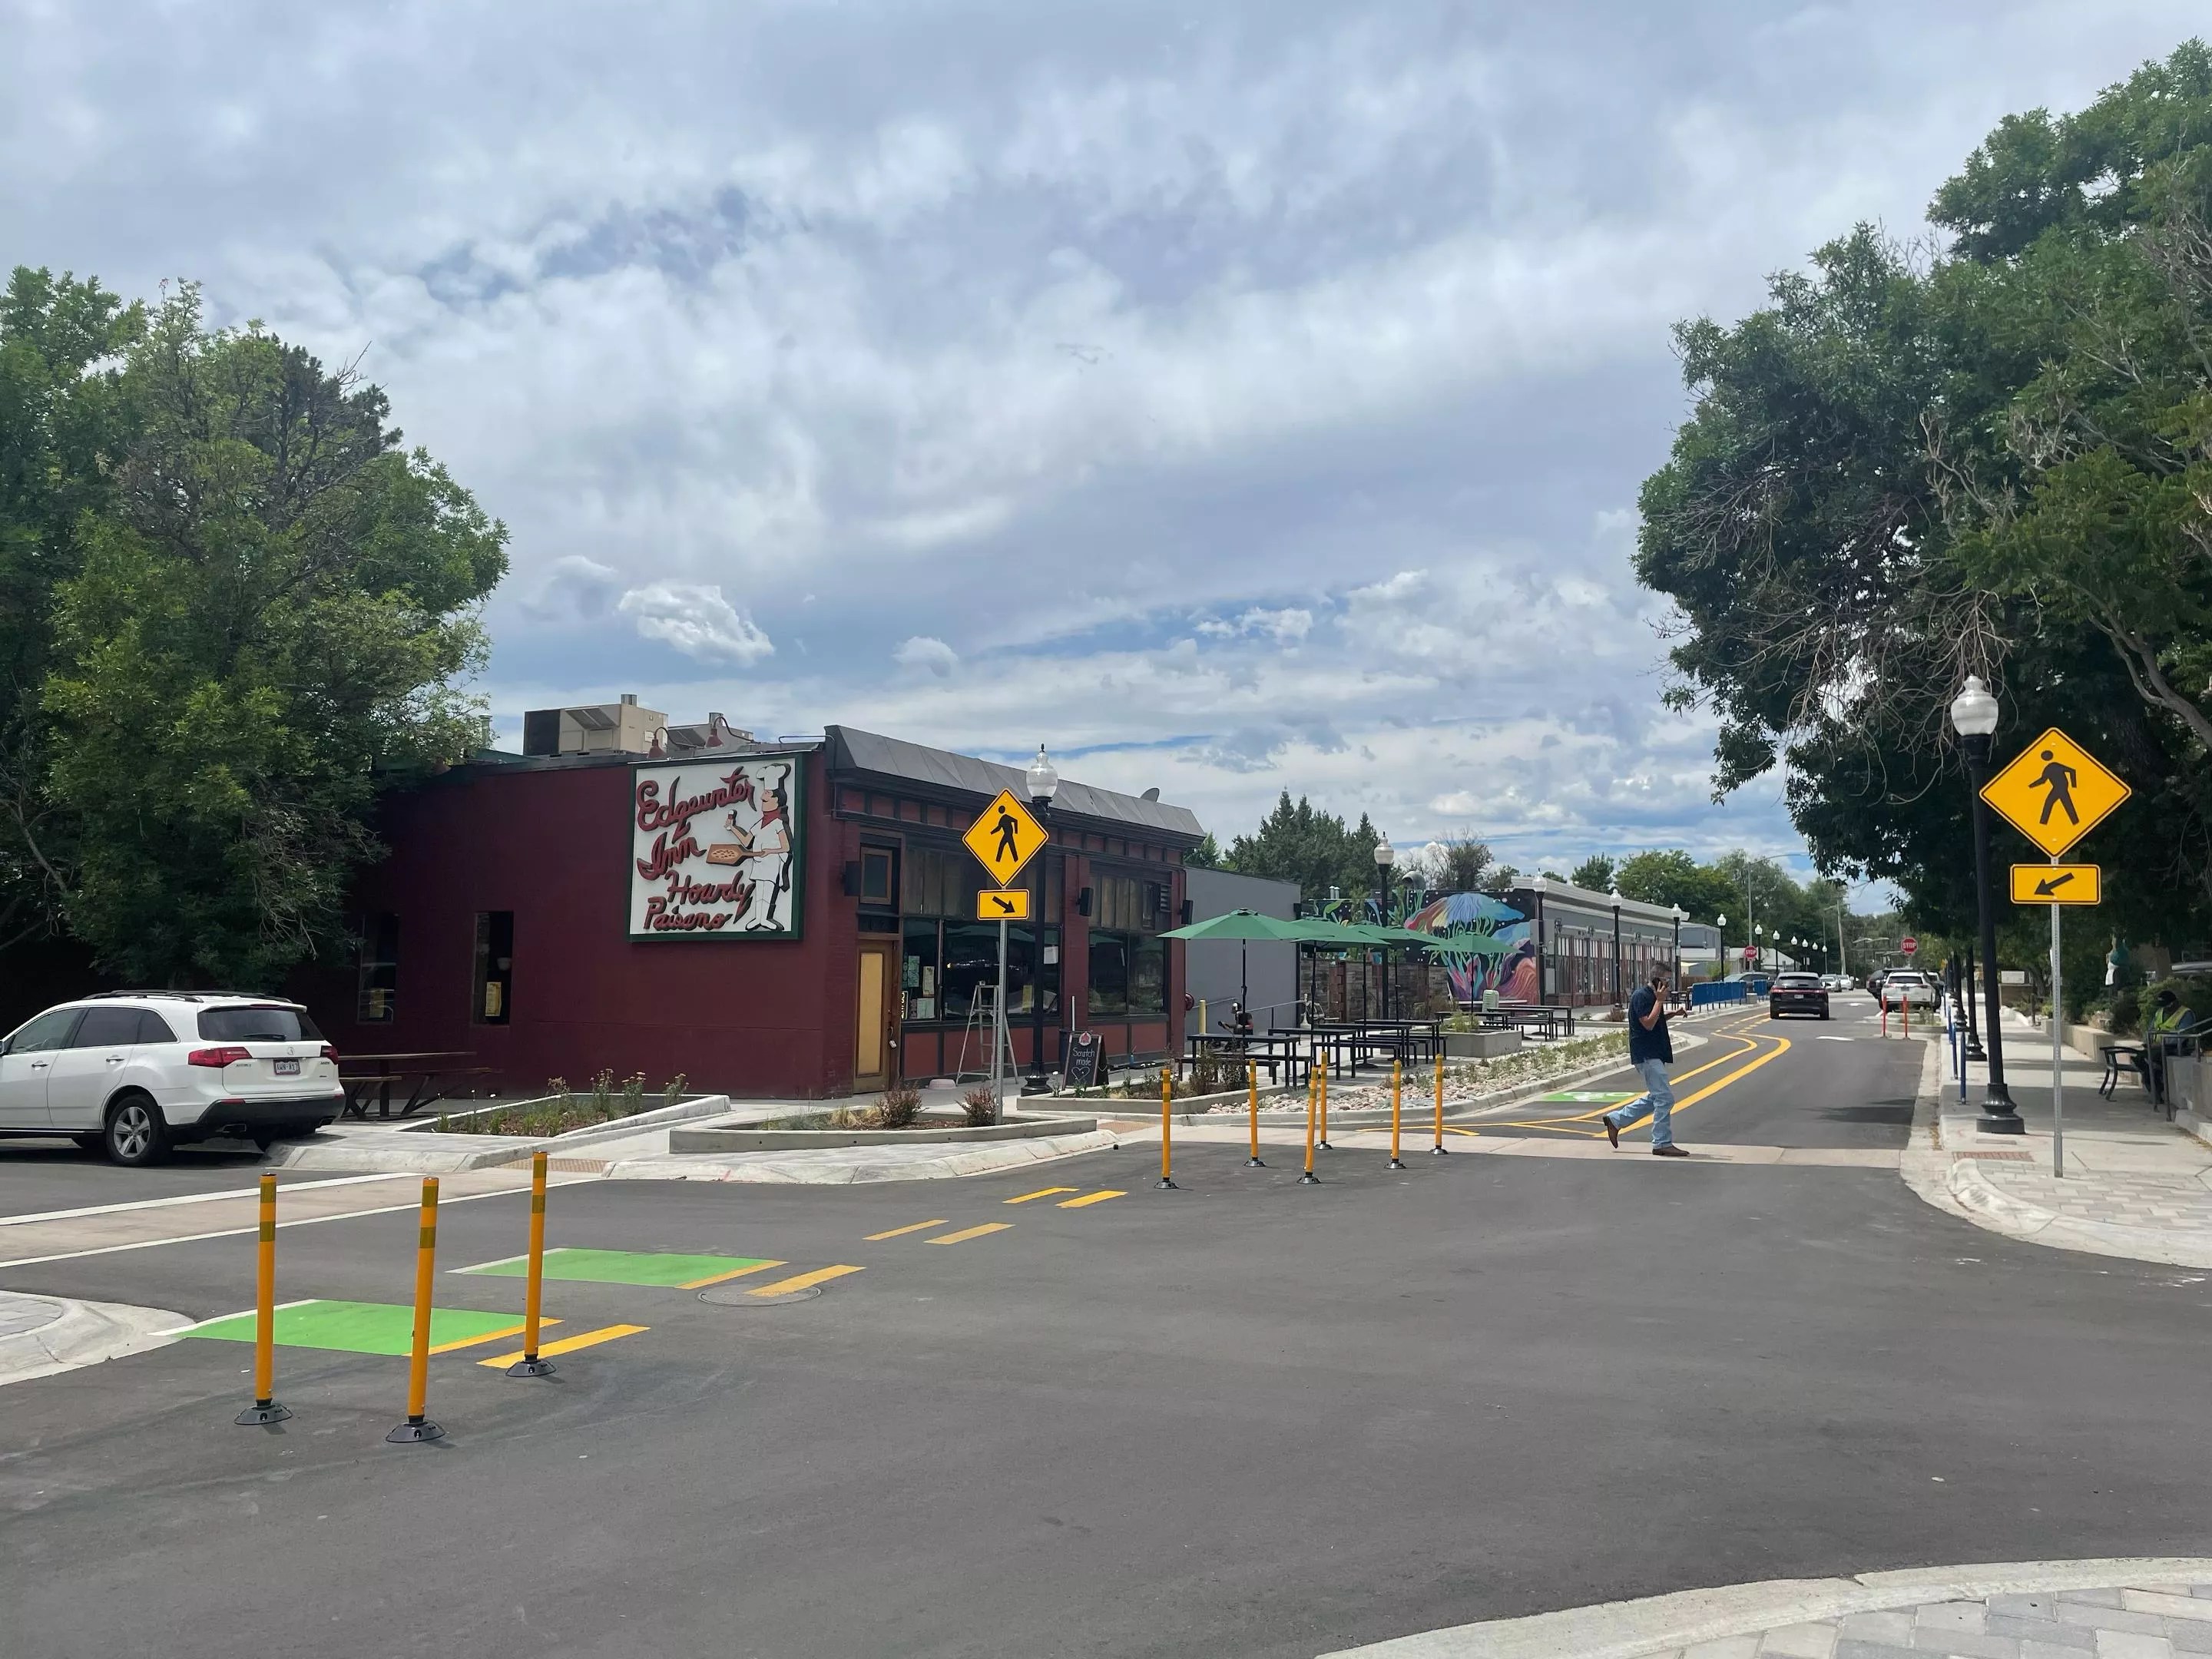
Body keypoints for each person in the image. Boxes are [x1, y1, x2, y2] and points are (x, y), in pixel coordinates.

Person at [1604, 967, 1684, 1156]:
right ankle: (1661, 1142)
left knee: (1657, 1097)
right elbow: (1647, 1023)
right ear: (1657, 980)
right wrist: (1659, 1001)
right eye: (1666, 980)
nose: (1669, 985)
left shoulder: (1652, 997)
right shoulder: (1641, 996)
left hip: (1654, 1054)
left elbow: (1656, 1019)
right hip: (1647, 1055)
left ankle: (1616, 1120)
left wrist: (1673, 1013)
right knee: (1665, 1098)